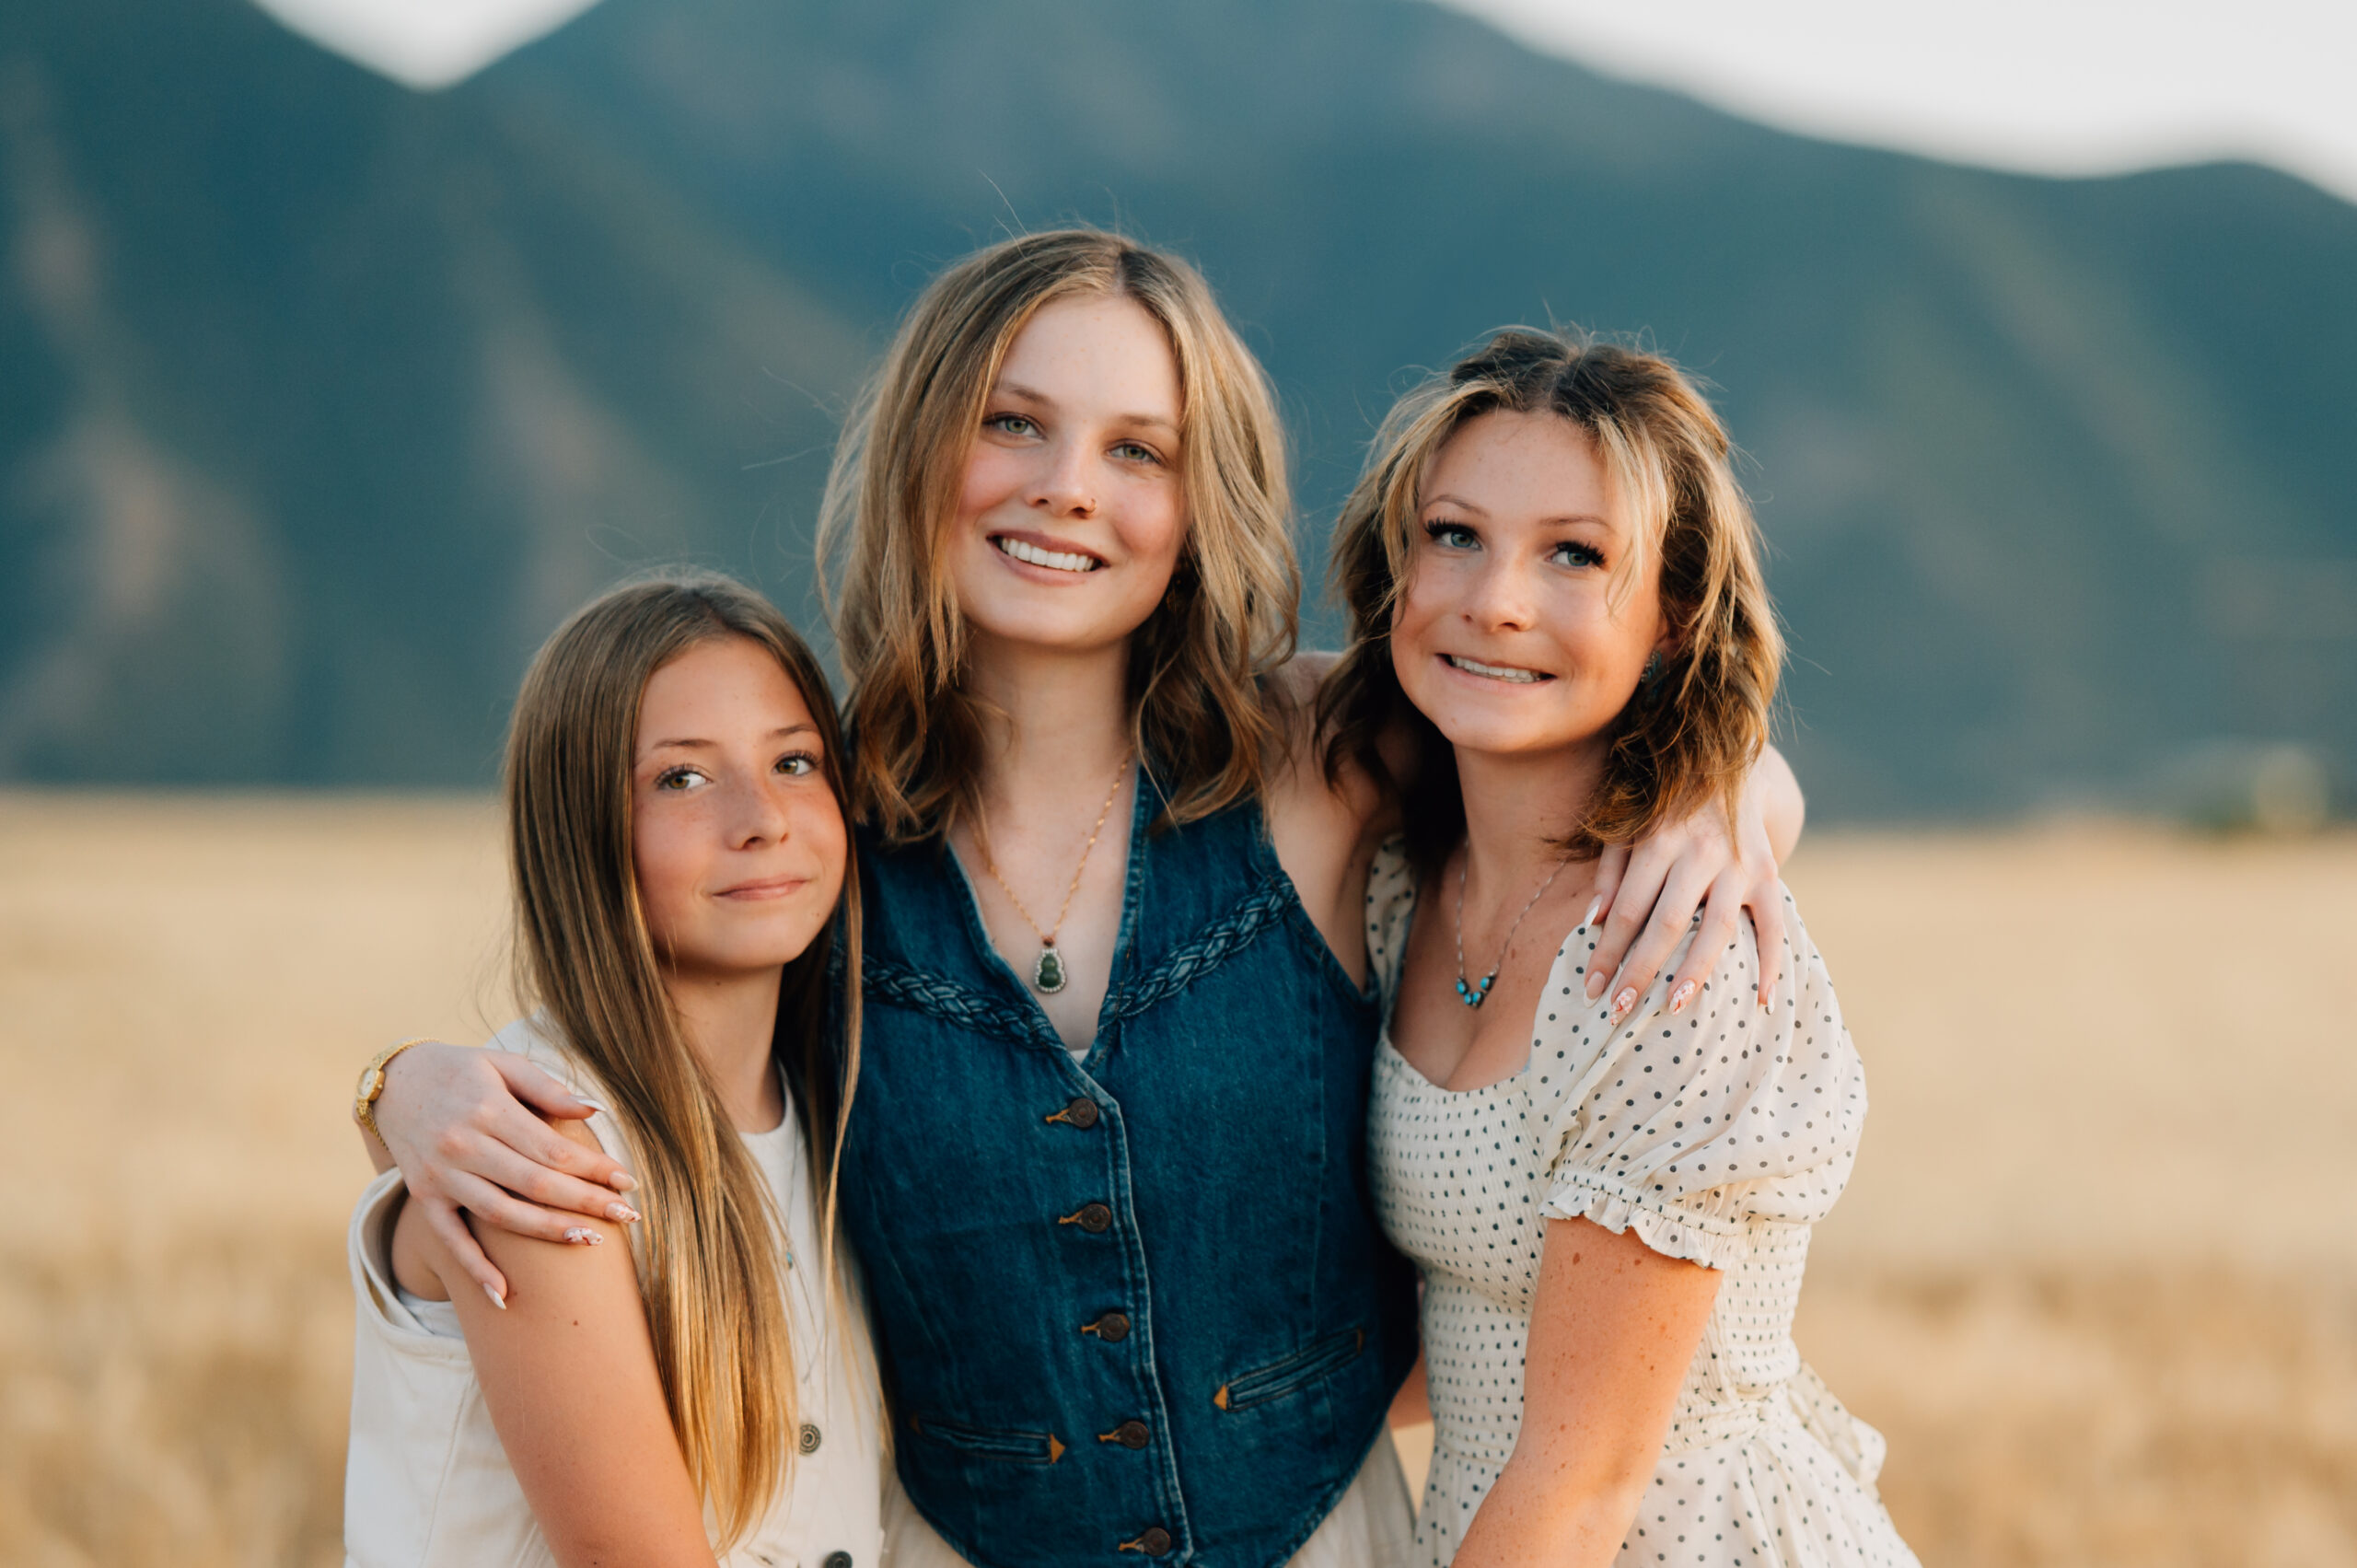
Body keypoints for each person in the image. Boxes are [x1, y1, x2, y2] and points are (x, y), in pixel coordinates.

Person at [354, 232, 1803, 1568]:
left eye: (1137, 448)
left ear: (1193, 500)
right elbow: (628, 1053)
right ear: (931, 446)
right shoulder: (819, 820)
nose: (1068, 486)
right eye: (1014, 422)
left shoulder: (1314, 757)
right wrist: (403, 1090)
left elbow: (1566, 704)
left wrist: (1733, 792)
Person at [1325, 328, 1916, 1566]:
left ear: (1670, 619)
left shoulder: (1676, 960)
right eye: (1454, 533)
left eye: (1576, 555)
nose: (1495, 597)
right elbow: (1470, 1330)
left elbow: (1584, 1482)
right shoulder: (1396, 884)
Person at [343, 574, 883, 1568]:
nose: (760, 816)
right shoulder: (540, 1153)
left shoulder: (846, 1108)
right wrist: (388, 1084)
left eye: (796, 761)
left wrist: (386, 1083)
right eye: (681, 777)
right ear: (582, 828)